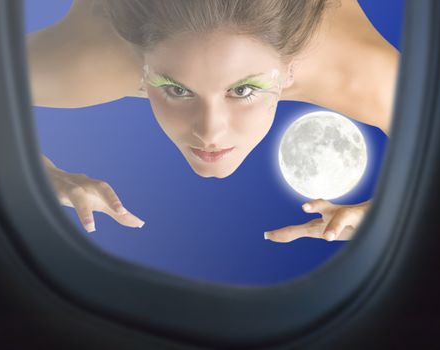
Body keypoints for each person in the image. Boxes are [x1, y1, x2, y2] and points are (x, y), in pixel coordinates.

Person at [27, 0, 398, 241]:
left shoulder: (366, 78)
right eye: (177, 90)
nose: (209, 131)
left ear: (289, 72)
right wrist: (29, 172)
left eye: (242, 90)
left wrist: (393, 219)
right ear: (141, 70)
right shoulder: (86, 63)